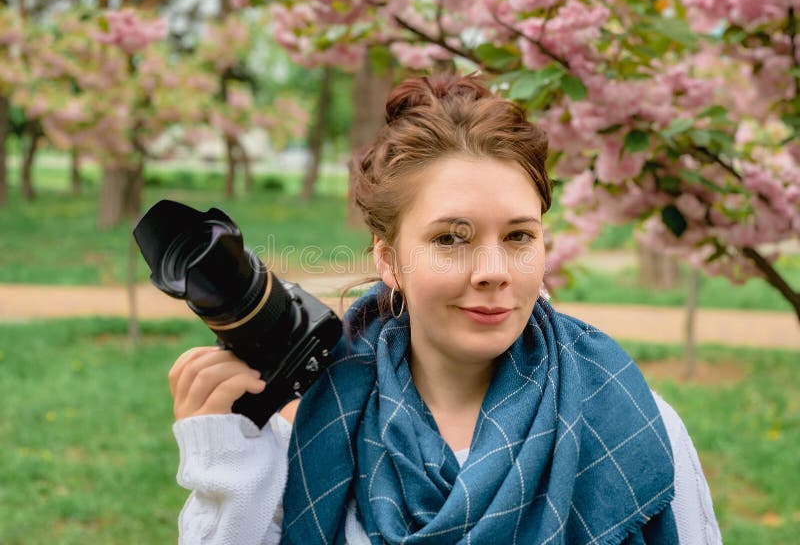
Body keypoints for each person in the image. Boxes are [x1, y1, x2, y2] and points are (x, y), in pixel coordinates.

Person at [168, 74, 721, 544]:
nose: (494, 269)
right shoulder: (303, 433)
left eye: (519, 236)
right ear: (390, 260)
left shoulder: (630, 420)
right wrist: (225, 469)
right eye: (451, 239)